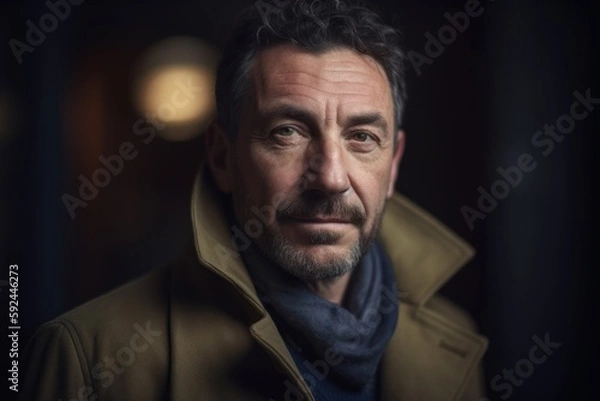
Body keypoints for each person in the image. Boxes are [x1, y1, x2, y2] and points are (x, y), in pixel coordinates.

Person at [20, 1, 488, 400]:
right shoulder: (88, 357)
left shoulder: (453, 341)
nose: (329, 177)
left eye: (362, 137)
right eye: (287, 132)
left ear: (395, 164)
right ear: (222, 157)